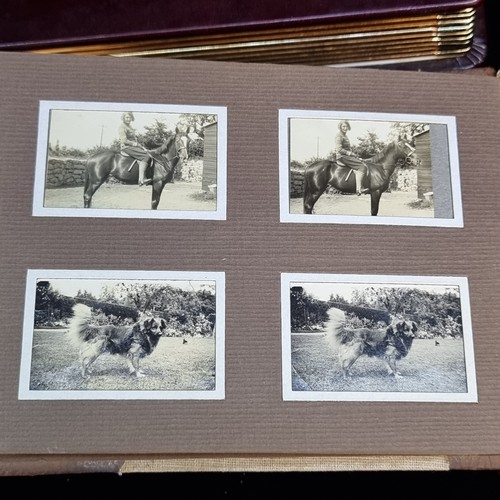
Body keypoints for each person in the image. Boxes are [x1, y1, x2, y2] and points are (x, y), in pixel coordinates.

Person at [334, 120, 369, 195]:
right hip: (341, 156)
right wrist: (349, 153)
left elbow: (348, 149)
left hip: (346, 156)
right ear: (340, 127)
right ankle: (359, 189)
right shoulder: (338, 136)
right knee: (362, 167)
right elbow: (339, 149)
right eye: (343, 126)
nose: (345, 128)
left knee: (361, 163)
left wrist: (355, 157)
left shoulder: (345, 136)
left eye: (346, 126)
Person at [118, 111, 152, 186]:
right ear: (123, 118)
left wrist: (141, 147)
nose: (128, 119)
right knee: (146, 156)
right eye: (127, 117)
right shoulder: (122, 127)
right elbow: (124, 140)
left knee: (147, 153)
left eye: (130, 117)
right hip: (126, 147)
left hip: (133, 146)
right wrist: (134, 144)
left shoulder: (130, 127)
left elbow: (134, 140)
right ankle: (142, 179)